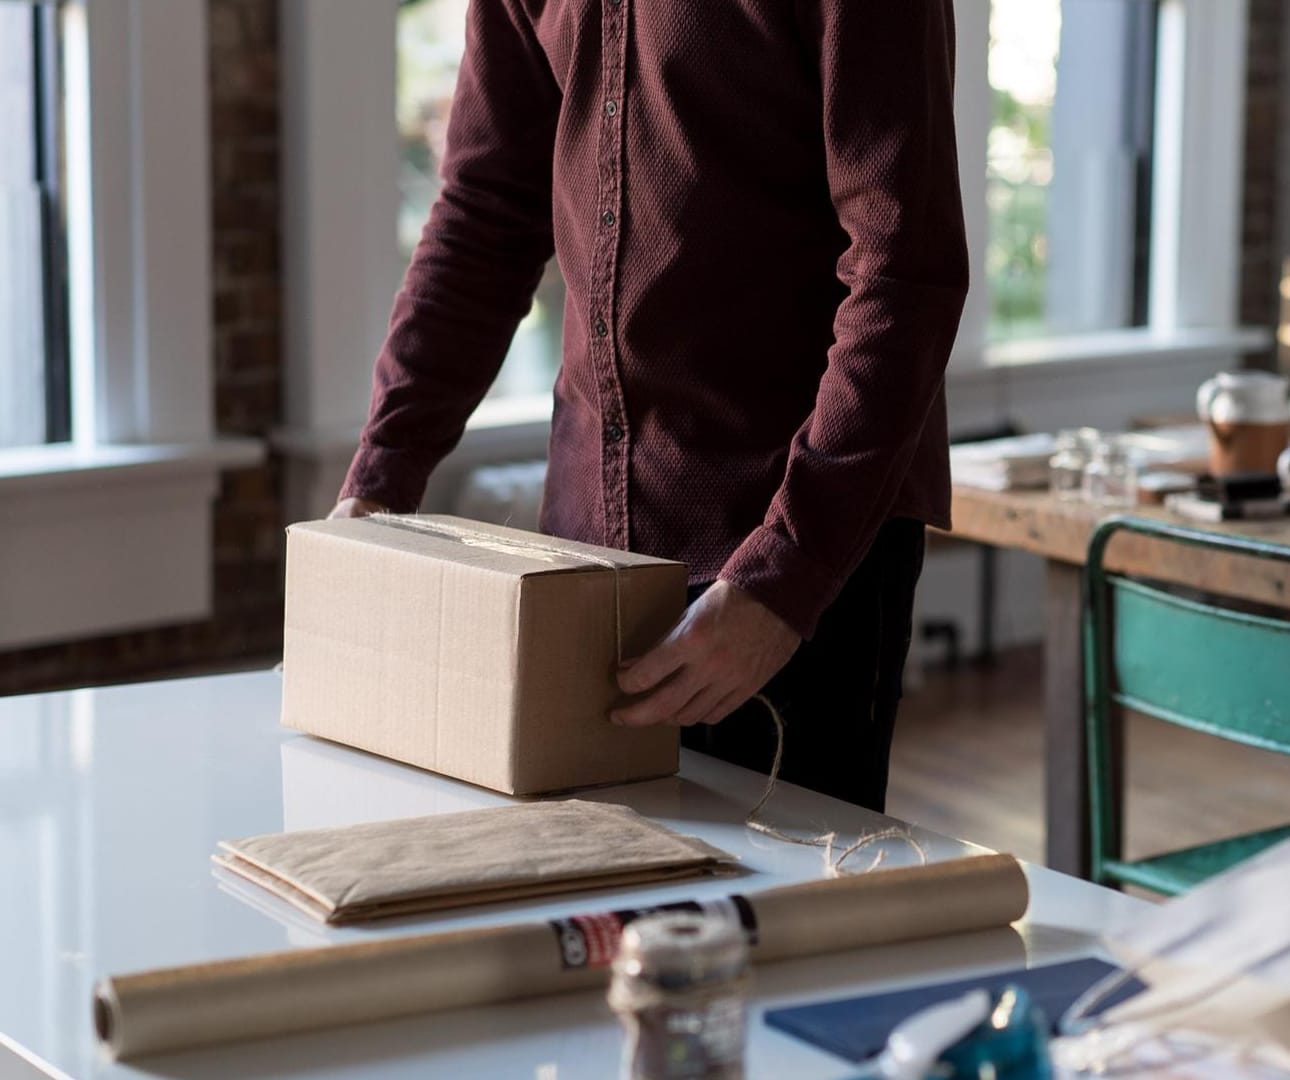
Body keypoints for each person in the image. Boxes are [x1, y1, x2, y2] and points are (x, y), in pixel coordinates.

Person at [330, 1, 969, 814]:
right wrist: (380, 481)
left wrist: (784, 577)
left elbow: (904, 275)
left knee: (778, 925)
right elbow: (485, 214)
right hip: (584, 555)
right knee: (590, 911)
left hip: (796, 554)